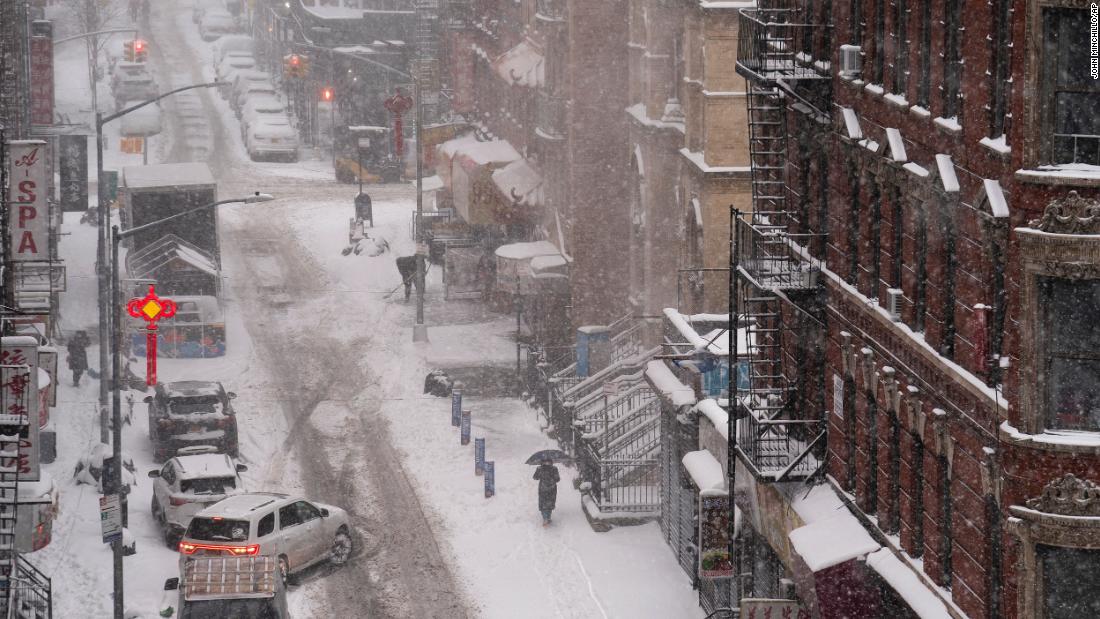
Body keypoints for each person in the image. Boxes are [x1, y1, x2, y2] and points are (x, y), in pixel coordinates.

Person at [533, 458, 560, 526]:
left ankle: (545, 518)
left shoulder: (540, 468)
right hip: (552, 488)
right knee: (550, 503)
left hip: (543, 488)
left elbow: (535, 477)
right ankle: (548, 517)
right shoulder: (554, 469)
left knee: (543, 503)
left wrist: (540, 473)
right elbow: (557, 479)